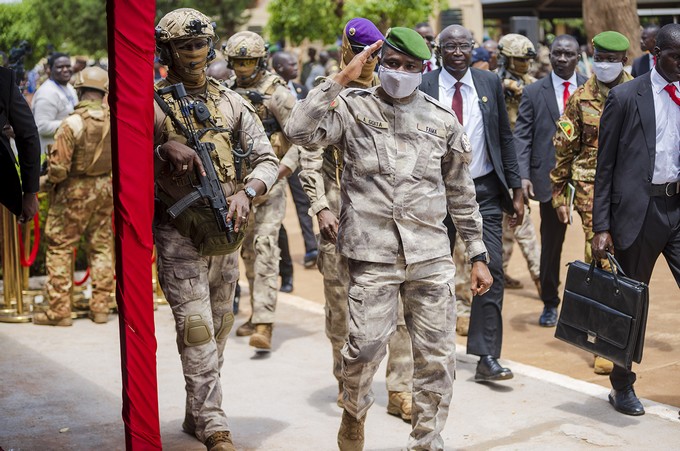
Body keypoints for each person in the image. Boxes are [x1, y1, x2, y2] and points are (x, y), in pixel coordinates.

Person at [287, 27, 492, 450]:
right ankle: (354, 409)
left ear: (423, 69)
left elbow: (461, 192)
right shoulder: (351, 108)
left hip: (430, 256)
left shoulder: (442, 119)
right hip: (372, 254)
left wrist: (476, 252)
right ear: (379, 64)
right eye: (392, 64)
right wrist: (341, 77)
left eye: (410, 66)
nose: (399, 72)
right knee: (362, 350)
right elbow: (299, 131)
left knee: (437, 359)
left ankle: (426, 440)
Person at [153, 9, 278, 450]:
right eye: (183, 46)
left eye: (199, 44)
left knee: (222, 323)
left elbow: (267, 159)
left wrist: (249, 191)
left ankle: (196, 411)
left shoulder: (232, 101)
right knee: (197, 327)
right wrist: (159, 147)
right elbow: (124, 165)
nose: (193, 53)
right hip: (179, 231)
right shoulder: (149, 105)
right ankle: (214, 422)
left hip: (225, 228)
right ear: (167, 50)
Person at [297, 17, 415, 422]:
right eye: (363, 54)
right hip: (339, 220)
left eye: (375, 54)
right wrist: (319, 206)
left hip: (388, 221)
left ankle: (400, 388)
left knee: (399, 309)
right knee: (340, 310)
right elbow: (307, 155)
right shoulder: (330, 93)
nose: (369, 62)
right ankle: (347, 384)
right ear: (348, 52)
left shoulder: (394, 91)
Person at [421, 25, 524, 384]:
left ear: (473, 49)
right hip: (434, 195)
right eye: (450, 46)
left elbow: (504, 139)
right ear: (438, 50)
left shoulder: (489, 83)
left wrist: (516, 187)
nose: (457, 52)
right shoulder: (424, 86)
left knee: (490, 268)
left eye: (464, 45)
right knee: (433, 274)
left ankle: (487, 356)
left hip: (484, 192)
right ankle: (433, 353)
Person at [592, 23, 680, 417]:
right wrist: (601, 226)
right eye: (677, 56)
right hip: (636, 214)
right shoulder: (626, 97)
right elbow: (604, 165)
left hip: (676, 208)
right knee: (630, 303)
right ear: (658, 54)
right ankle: (622, 385)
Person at [551, 30, 633, 376]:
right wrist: (558, 192)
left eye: (611, 60)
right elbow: (564, 146)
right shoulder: (580, 97)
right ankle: (602, 340)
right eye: (599, 58)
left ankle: (624, 329)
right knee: (598, 258)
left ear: (623, 61)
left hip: (631, 191)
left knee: (628, 260)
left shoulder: (640, 92)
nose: (603, 65)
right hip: (589, 188)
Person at [225, 31, 296, 351]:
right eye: (238, 62)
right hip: (239, 186)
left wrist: (282, 170)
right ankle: (256, 313)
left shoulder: (276, 93)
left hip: (271, 184)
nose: (243, 68)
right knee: (249, 252)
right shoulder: (225, 92)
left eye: (248, 61)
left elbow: (304, 136)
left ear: (261, 59)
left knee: (267, 246)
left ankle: (265, 322)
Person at [514, 35, 587, 327]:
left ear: (578, 56)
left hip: (588, 179)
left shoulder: (591, 89)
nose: (561, 59)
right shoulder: (534, 92)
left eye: (568, 54)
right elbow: (522, 135)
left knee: (597, 243)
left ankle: (590, 306)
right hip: (548, 180)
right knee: (552, 245)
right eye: (557, 53)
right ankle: (549, 302)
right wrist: (523, 176)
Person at [34, 67, 112, 326]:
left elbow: (58, 170)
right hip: (105, 188)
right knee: (101, 246)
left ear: (79, 90)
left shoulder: (73, 123)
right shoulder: (113, 120)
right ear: (103, 92)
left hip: (74, 191)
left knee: (60, 246)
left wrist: (45, 182)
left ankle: (59, 311)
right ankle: (100, 307)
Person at [497, 33, 541, 292]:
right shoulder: (494, 82)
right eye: (519, 59)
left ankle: (538, 276)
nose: (525, 64)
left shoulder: (532, 85)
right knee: (512, 221)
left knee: (517, 219)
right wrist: (504, 87)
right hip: (500, 162)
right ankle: (538, 277)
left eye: (527, 60)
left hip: (521, 161)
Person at [271, 50, 319, 281]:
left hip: (296, 158)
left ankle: (311, 248)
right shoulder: (271, 92)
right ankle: (283, 264)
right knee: (276, 212)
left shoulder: (301, 91)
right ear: (279, 68)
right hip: (275, 161)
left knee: (304, 204)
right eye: (290, 63)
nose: (295, 66)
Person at [0, 66, 40, 222]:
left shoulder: (3, 79)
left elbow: (27, 135)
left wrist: (30, 192)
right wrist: (30, 193)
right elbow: (28, 135)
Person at [31, 53, 77, 155]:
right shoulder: (47, 92)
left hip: (66, 151)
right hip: (51, 155)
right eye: (60, 67)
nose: (65, 69)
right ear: (49, 69)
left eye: (68, 66)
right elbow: (42, 126)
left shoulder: (69, 87)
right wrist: (73, 123)